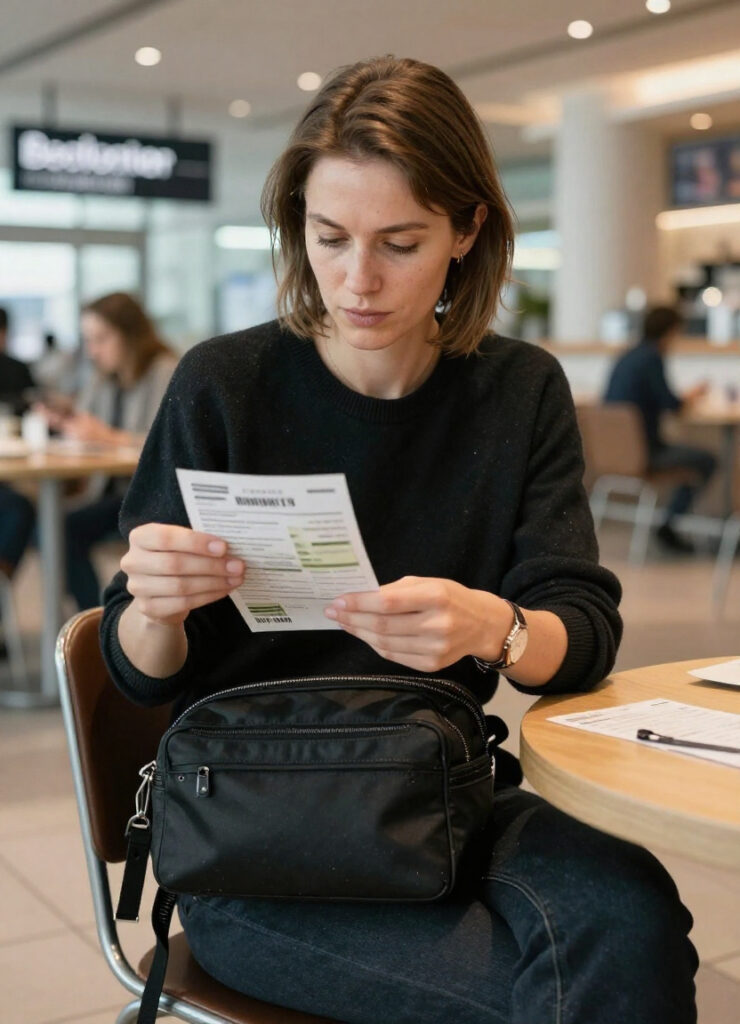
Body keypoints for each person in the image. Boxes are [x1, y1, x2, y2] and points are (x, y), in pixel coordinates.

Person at [100, 58, 697, 1024]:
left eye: (400, 242)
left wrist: (496, 627)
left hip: (445, 794)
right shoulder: (225, 383)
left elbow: (579, 633)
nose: (357, 280)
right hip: (254, 830)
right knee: (557, 994)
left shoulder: (518, 389)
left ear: (467, 231)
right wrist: (155, 608)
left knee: (632, 913)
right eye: (328, 237)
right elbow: (138, 668)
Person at [39, 292, 178, 609]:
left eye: (101, 338)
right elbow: (87, 422)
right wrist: (66, 421)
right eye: (89, 340)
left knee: (62, 530)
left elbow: (169, 445)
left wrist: (108, 437)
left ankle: (97, 618)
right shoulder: (105, 378)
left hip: (150, 499)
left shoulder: (165, 371)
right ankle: (96, 616)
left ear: (130, 335)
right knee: (48, 526)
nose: (93, 350)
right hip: (110, 493)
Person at [604, 305, 716, 553]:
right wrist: (693, 395)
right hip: (646, 452)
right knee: (707, 460)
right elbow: (671, 404)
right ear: (671, 332)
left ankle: (672, 525)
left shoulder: (626, 355)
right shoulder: (652, 358)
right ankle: (669, 525)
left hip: (615, 453)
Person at [0, 306, 36, 653]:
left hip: (10, 474)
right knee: (19, 509)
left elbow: (33, 410)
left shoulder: (17, 369)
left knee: (20, 509)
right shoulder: (17, 369)